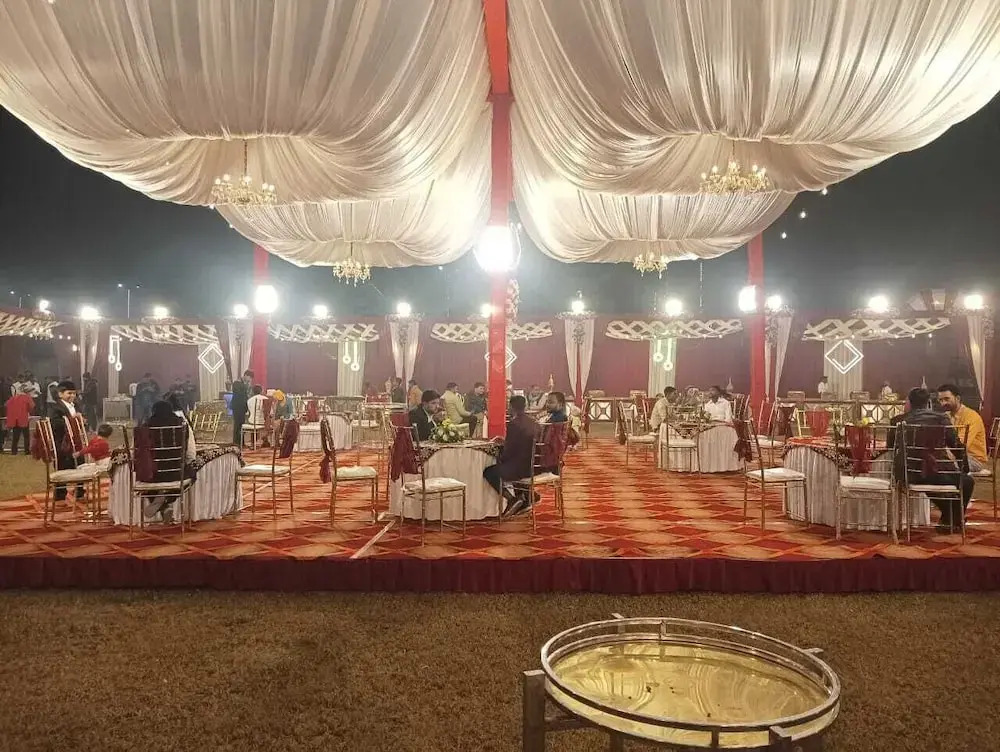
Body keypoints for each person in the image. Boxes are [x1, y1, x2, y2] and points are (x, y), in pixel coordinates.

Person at [889, 387, 974, 532]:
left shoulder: (897, 421)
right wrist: (964, 469)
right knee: (967, 481)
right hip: (936, 472)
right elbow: (956, 446)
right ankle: (954, 519)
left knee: (928, 479)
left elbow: (890, 447)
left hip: (909, 474)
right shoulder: (941, 419)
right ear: (928, 403)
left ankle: (950, 518)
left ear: (908, 403)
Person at [483, 396, 538, 516]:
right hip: (533, 465)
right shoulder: (533, 422)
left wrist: (498, 456)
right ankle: (527, 497)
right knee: (508, 464)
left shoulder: (513, 424)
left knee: (489, 472)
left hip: (520, 468)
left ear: (511, 407)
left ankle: (512, 499)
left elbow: (509, 451)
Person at [936, 383, 988, 472]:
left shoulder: (972, 416)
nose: (943, 403)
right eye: (941, 400)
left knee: (941, 465)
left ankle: (962, 480)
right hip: (953, 454)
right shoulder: (946, 416)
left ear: (958, 398)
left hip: (973, 459)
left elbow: (961, 446)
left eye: (947, 399)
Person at [49, 380, 84, 502]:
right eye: (69, 393)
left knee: (81, 464)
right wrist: (72, 420)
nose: (72, 396)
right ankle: (60, 494)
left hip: (76, 442)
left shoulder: (76, 406)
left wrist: (82, 420)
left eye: (74, 393)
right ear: (60, 394)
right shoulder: (56, 408)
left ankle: (80, 491)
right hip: (62, 444)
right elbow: (55, 424)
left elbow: (79, 421)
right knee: (63, 467)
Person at [5, 385, 34, 455]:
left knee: (15, 436)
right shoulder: (27, 397)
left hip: (15, 419)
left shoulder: (13, 397)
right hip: (24, 419)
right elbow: (31, 406)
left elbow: (6, 404)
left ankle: (14, 451)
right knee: (26, 436)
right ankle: (27, 451)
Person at [229, 369, 253, 445]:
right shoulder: (236, 383)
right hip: (237, 407)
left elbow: (246, 396)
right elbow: (239, 394)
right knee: (237, 424)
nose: (250, 380)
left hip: (242, 408)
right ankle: (236, 442)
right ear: (245, 375)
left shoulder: (244, 384)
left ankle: (241, 442)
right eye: (249, 377)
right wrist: (246, 386)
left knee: (242, 425)